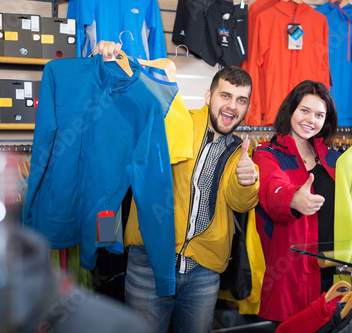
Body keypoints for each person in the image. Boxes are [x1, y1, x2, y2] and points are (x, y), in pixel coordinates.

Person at [93, 41, 260, 333]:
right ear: (209, 96)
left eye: (241, 100)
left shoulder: (241, 151)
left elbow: (240, 203)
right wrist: (111, 57)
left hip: (204, 272)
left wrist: (248, 181)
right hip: (149, 264)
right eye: (225, 95)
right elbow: (132, 101)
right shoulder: (173, 119)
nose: (232, 106)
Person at [251, 80, 339, 324]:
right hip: (293, 277)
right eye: (305, 110)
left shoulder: (334, 159)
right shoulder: (268, 154)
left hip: (335, 273)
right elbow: (271, 189)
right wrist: (293, 199)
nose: (311, 119)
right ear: (290, 110)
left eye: (319, 114)